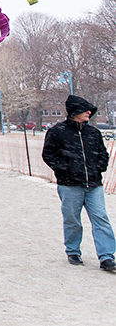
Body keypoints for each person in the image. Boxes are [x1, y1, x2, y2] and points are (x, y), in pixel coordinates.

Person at [42, 95, 116, 270]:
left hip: (94, 184)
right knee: (72, 219)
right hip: (69, 185)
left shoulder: (94, 133)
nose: (89, 112)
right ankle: (73, 251)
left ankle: (106, 257)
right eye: (86, 110)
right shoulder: (57, 131)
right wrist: (65, 169)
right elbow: (48, 154)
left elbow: (102, 154)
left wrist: (99, 167)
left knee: (101, 219)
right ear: (75, 112)